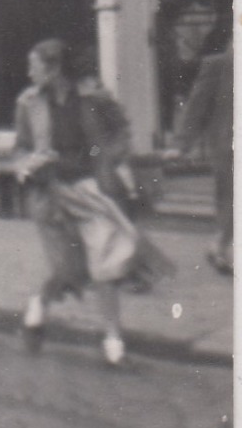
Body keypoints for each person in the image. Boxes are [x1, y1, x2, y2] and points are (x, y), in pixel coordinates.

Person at [13, 38, 174, 366]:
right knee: (67, 270)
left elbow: (121, 131)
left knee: (106, 264)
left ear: (54, 67)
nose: (29, 73)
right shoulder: (28, 103)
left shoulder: (93, 97)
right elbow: (20, 148)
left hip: (89, 190)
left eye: (34, 66)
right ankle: (37, 308)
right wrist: (28, 164)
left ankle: (113, 344)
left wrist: (110, 159)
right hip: (51, 194)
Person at [174, 32, 234, 276]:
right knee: (232, 197)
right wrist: (182, 145)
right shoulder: (218, 65)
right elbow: (196, 105)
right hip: (228, 144)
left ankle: (222, 245)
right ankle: (221, 246)